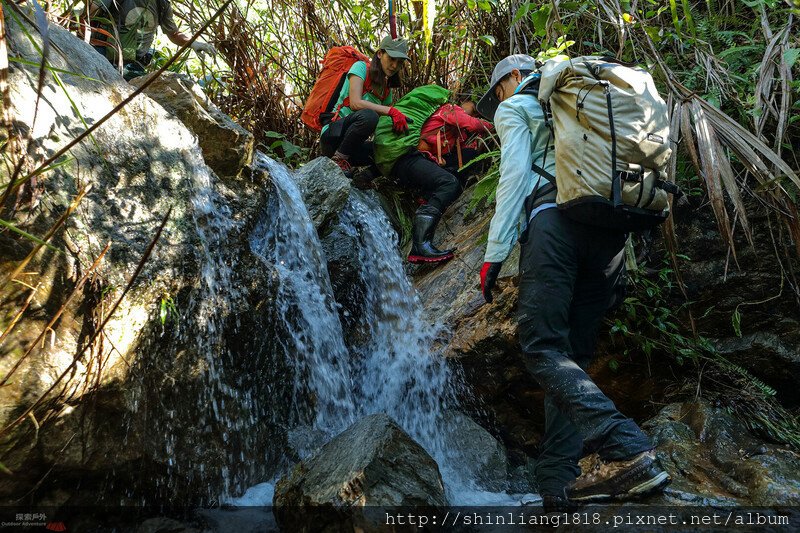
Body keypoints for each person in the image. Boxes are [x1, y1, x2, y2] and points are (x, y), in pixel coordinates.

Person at [476, 55, 670, 510]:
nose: (498, 101)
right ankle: (556, 485)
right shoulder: (585, 100)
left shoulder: (517, 106)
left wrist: (494, 254)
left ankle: (627, 445)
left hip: (554, 224)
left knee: (542, 347)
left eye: (497, 91)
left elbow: (514, 178)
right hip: (610, 232)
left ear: (512, 79)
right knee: (573, 356)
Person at [395, 101, 492, 264]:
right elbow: (474, 124)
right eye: (474, 109)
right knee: (449, 183)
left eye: (476, 113)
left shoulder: (454, 133)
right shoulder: (450, 110)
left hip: (422, 163)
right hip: (410, 159)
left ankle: (428, 197)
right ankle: (419, 246)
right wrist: (498, 122)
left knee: (469, 156)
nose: (474, 114)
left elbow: (464, 150)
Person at [320, 36, 410, 176]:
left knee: (394, 151)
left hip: (353, 146)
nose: (394, 66)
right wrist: (391, 111)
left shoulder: (386, 89)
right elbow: (355, 103)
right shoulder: (360, 67)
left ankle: (363, 177)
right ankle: (338, 160)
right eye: (391, 59)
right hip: (333, 135)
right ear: (380, 54)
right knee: (370, 116)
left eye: (399, 63)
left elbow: (382, 123)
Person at [89, 0, 216, 80]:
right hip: (103, 54)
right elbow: (92, 10)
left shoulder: (162, 5)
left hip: (134, 65)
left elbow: (174, 34)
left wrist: (193, 43)